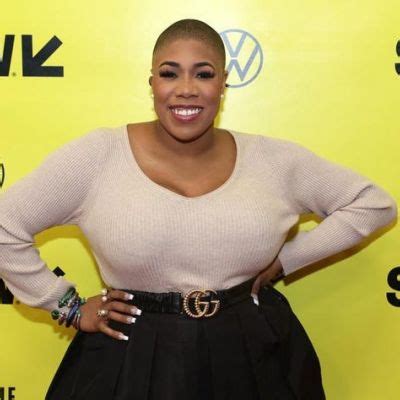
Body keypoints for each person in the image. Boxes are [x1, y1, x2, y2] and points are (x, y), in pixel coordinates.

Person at [0, 18, 397, 400]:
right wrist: (67, 306)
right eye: (170, 73)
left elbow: (373, 204)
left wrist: (287, 260)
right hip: (128, 356)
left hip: (254, 352)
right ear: (152, 83)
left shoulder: (273, 160)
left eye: (203, 74)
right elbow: (6, 224)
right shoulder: (98, 155)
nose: (186, 89)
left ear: (223, 84)